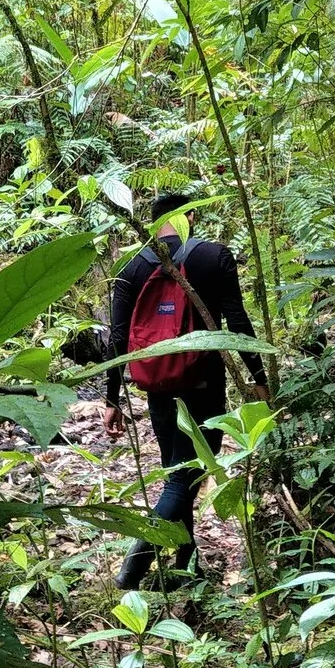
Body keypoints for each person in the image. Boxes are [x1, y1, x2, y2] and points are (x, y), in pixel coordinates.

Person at [99, 194, 267, 591]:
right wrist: (259, 376)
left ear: (153, 223)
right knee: (184, 478)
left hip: (158, 387)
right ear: (189, 217)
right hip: (204, 385)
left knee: (179, 472)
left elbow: (118, 339)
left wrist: (112, 399)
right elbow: (237, 319)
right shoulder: (213, 256)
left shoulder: (131, 267)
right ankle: (134, 565)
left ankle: (185, 565)